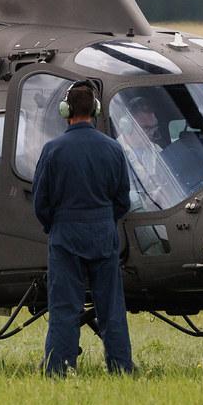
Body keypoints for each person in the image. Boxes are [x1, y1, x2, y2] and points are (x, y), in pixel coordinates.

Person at [33, 80, 134, 376]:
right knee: (111, 310)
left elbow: (41, 203)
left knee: (64, 309)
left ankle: (59, 369)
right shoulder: (113, 149)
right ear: (96, 110)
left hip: (65, 236)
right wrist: (104, 219)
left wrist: (56, 226)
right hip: (103, 233)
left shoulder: (53, 150)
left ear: (66, 111)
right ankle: (120, 369)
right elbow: (122, 200)